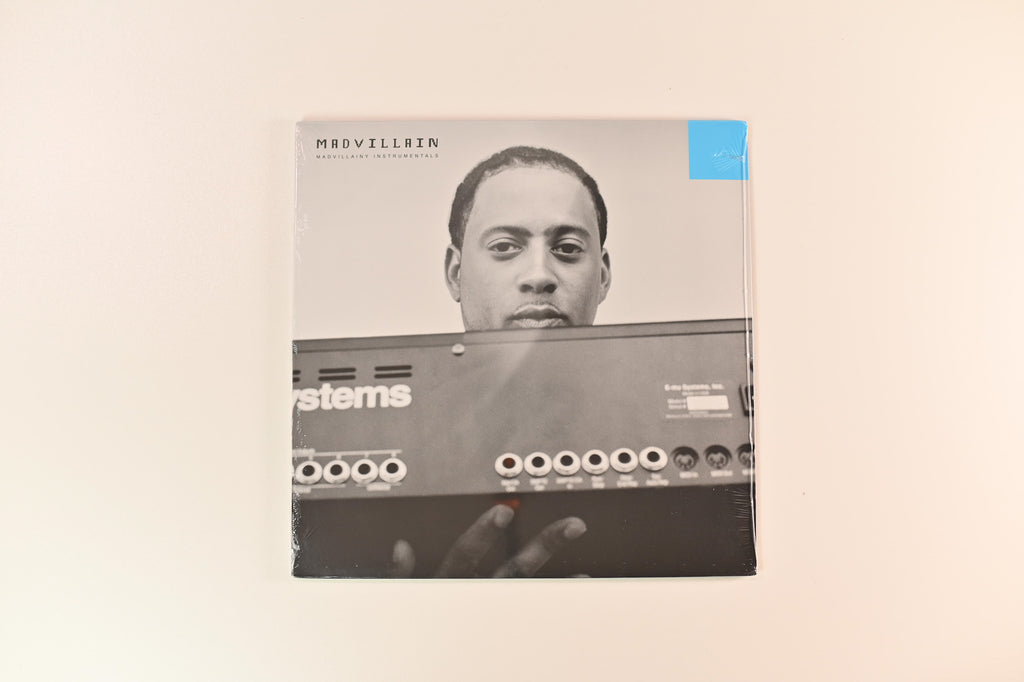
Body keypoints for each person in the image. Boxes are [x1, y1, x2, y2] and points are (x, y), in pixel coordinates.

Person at [390, 146, 611, 578]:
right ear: (456, 273)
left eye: (567, 248)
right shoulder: (393, 433)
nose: (539, 275)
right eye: (505, 246)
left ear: (602, 276)